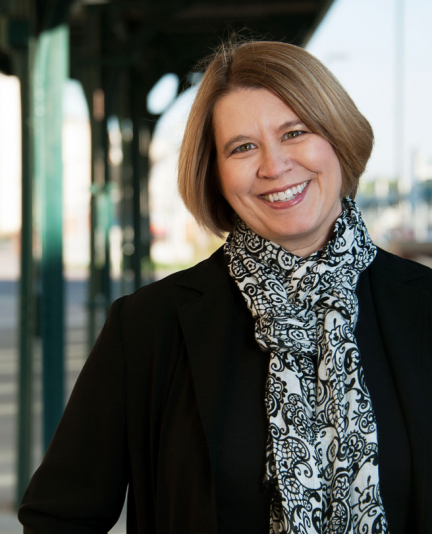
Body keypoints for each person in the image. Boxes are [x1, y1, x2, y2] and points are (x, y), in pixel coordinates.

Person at [18, 39, 432, 534]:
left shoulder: (424, 306)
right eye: (242, 147)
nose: (274, 166)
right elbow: (59, 518)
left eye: (295, 132)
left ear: (338, 138)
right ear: (215, 174)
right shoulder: (150, 326)